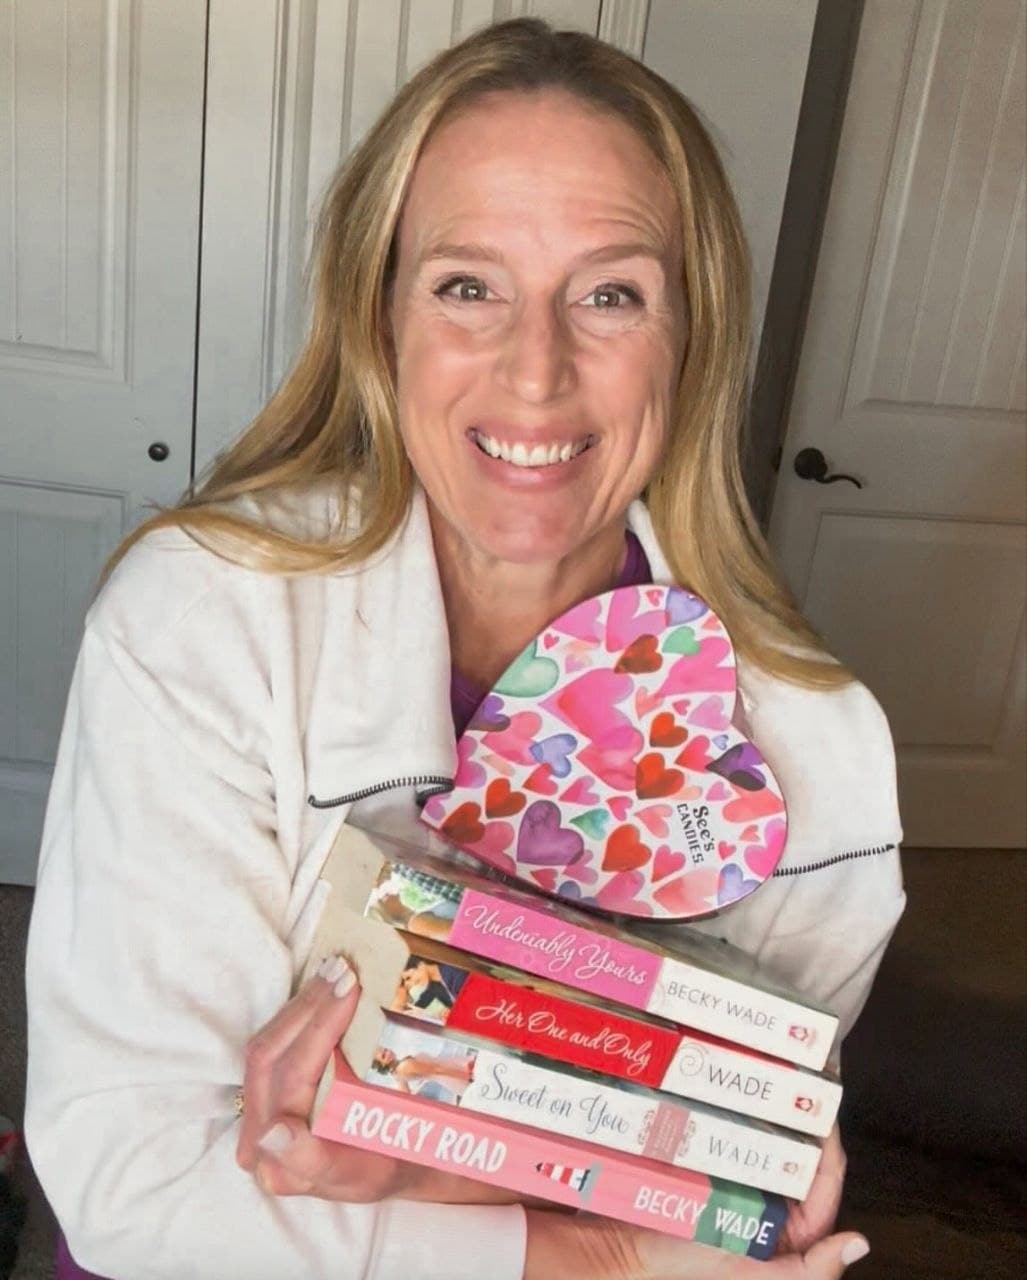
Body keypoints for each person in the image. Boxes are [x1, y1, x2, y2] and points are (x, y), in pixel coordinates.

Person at [24, 18, 904, 1280]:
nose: (535, 372)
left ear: (691, 335)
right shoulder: (203, 620)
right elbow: (137, 1184)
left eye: (610, 293)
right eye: (467, 285)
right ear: (378, 312)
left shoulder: (818, 755)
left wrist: (400, 1167)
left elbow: (742, 1185)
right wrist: (598, 1255)